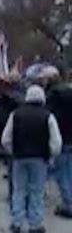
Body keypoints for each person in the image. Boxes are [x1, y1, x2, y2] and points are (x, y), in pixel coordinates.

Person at [2, 85, 63, 233]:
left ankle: (16, 221)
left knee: (18, 189)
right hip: (39, 158)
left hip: (19, 158)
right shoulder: (48, 116)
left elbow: (6, 138)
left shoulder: (15, 114)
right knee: (36, 190)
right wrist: (51, 155)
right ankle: (35, 224)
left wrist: (12, 151)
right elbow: (56, 141)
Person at [44, 66, 72, 219]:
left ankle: (68, 203)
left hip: (60, 136)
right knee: (69, 171)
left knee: (61, 172)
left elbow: (49, 116)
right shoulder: (69, 92)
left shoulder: (53, 95)